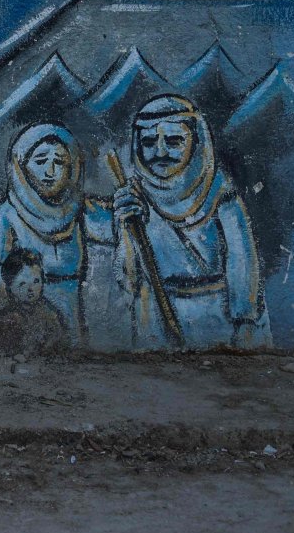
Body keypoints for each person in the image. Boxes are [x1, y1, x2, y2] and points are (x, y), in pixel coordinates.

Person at [111, 94, 269, 350]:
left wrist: (245, 322)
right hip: (155, 318)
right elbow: (128, 279)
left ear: (195, 141)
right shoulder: (134, 197)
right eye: (149, 142)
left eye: (174, 141)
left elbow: (242, 262)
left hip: (218, 314)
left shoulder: (220, 193)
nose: (160, 152)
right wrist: (126, 228)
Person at [0, 123, 112, 346]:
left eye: (59, 162)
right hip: (28, 328)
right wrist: (8, 321)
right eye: (40, 161)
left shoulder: (79, 210)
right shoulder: (5, 214)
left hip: (73, 326)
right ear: (22, 165)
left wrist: (130, 206)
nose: (50, 172)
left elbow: (117, 226)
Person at [0, 248, 69, 355]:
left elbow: (60, 337)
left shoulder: (50, 313)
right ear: (10, 287)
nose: (30, 288)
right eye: (22, 283)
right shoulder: (6, 316)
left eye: (36, 281)